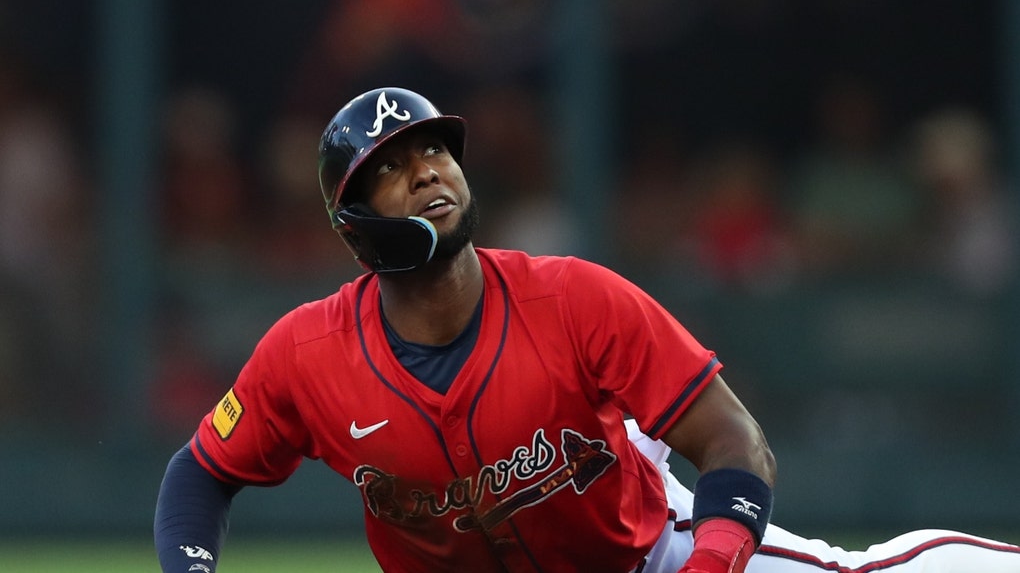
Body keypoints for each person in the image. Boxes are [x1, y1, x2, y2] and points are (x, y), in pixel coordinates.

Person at [154, 87, 1020, 573]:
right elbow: (200, 470)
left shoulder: (571, 298)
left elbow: (734, 440)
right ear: (350, 225)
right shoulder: (306, 356)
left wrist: (712, 565)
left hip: (646, 555)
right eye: (389, 169)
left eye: (432, 151)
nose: (424, 172)